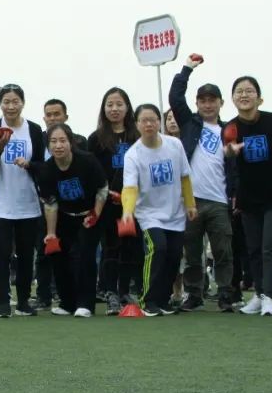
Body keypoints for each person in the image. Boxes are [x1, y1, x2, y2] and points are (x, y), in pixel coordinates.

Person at [168, 54, 237, 312]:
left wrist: (235, 193)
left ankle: (226, 294)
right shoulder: (189, 124)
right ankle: (194, 295)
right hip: (191, 200)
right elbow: (175, 98)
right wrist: (186, 69)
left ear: (221, 103)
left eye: (212, 100)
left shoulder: (230, 129)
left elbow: (234, 167)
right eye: (203, 100)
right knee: (192, 253)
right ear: (197, 103)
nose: (208, 105)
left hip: (219, 200)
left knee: (223, 251)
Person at [225, 76, 272, 317]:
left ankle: (268, 295)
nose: (244, 95)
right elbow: (227, 153)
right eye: (239, 91)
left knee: (270, 247)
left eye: (249, 91)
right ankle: (258, 294)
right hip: (248, 198)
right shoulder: (231, 127)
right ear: (233, 98)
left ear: (259, 97)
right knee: (254, 249)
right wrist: (230, 151)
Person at [121, 104, 196, 316]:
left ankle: (163, 299)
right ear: (137, 124)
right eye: (144, 120)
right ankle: (147, 299)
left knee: (174, 256)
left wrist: (190, 204)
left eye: (153, 119)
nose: (149, 124)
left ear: (159, 122)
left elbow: (184, 177)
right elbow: (130, 188)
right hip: (149, 215)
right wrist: (127, 211)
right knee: (158, 248)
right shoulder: (133, 154)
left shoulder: (175, 145)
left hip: (175, 213)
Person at [0, 83, 45, 317]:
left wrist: (29, 165)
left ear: (23, 103)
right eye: (6, 102)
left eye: (15, 101)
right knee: (3, 253)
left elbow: (42, 165)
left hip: (27, 202)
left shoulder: (34, 130)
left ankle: (24, 301)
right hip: (0, 203)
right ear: (0, 104)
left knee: (27, 254)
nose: (10, 106)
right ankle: (3, 302)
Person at [37, 123, 107, 317]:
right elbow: (50, 203)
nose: (58, 145)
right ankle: (67, 303)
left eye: (62, 140)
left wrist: (95, 214)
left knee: (85, 254)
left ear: (71, 142)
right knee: (58, 255)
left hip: (90, 214)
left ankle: (86, 304)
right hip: (64, 216)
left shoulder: (87, 161)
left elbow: (102, 188)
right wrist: (51, 233)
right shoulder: (46, 170)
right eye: (53, 141)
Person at [87, 88, 141, 315]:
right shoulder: (96, 139)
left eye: (119, 104)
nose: (114, 109)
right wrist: (106, 193)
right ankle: (110, 293)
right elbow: (92, 172)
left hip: (133, 202)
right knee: (110, 247)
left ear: (127, 107)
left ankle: (124, 290)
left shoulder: (137, 136)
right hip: (107, 202)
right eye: (110, 105)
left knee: (131, 247)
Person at [37, 98, 86, 308]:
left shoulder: (80, 141)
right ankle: (43, 295)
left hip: (73, 206)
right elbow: (37, 167)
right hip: (46, 202)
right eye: (49, 115)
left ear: (66, 116)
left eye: (57, 114)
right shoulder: (37, 140)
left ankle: (73, 295)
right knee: (45, 250)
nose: (53, 118)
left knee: (74, 252)